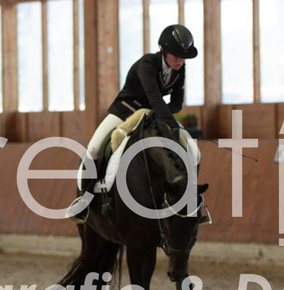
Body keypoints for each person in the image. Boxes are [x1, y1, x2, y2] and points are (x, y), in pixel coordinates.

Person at [66, 24, 198, 221]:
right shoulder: (147, 64)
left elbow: (177, 103)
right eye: (176, 55)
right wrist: (167, 120)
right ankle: (83, 201)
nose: (180, 60)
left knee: (194, 150)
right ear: (163, 50)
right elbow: (154, 97)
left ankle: (191, 199)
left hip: (152, 114)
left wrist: (161, 117)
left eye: (183, 56)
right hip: (125, 110)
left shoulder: (179, 69)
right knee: (93, 148)